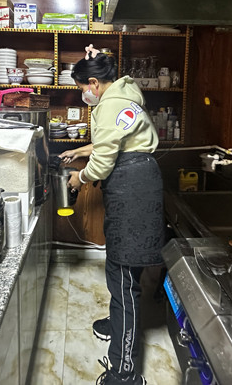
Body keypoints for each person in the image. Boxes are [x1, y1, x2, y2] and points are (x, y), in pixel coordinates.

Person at [60, 44, 165, 385]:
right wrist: (81, 149)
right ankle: (117, 323)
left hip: (131, 186)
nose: (84, 95)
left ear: (93, 83)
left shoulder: (109, 105)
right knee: (122, 269)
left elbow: (104, 161)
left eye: (83, 88)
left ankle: (125, 372)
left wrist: (80, 176)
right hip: (140, 181)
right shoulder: (124, 95)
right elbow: (117, 140)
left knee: (122, 275)